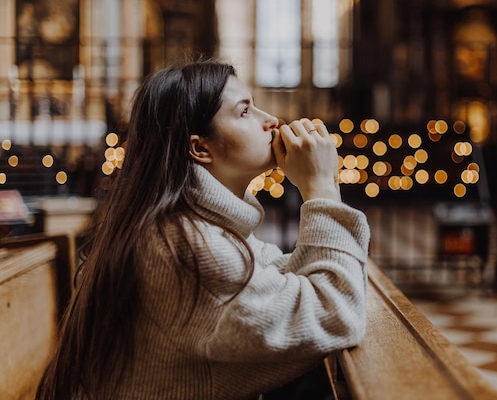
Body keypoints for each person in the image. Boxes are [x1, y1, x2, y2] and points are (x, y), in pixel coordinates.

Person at [35, 57, 370, 400]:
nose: (271, 121)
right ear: (199, 147)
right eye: (245, 111)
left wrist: (323, 186)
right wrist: (322, 189)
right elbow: (337, 314)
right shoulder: (185, 246)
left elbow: (298, 283)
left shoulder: (192, 226)